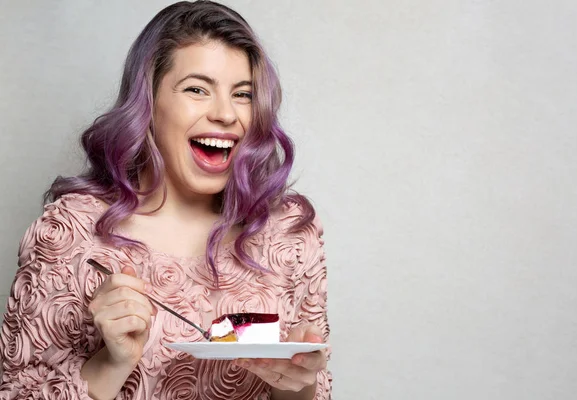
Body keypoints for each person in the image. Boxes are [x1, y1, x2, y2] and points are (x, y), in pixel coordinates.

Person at [0, 1, 331, 399]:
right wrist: (112, 362)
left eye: (242, 95)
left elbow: (312, 390)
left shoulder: (288, 233)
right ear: (149, 104)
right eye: (197, 89)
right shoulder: (71, 234)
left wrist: (300, 385)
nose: (226, 114)